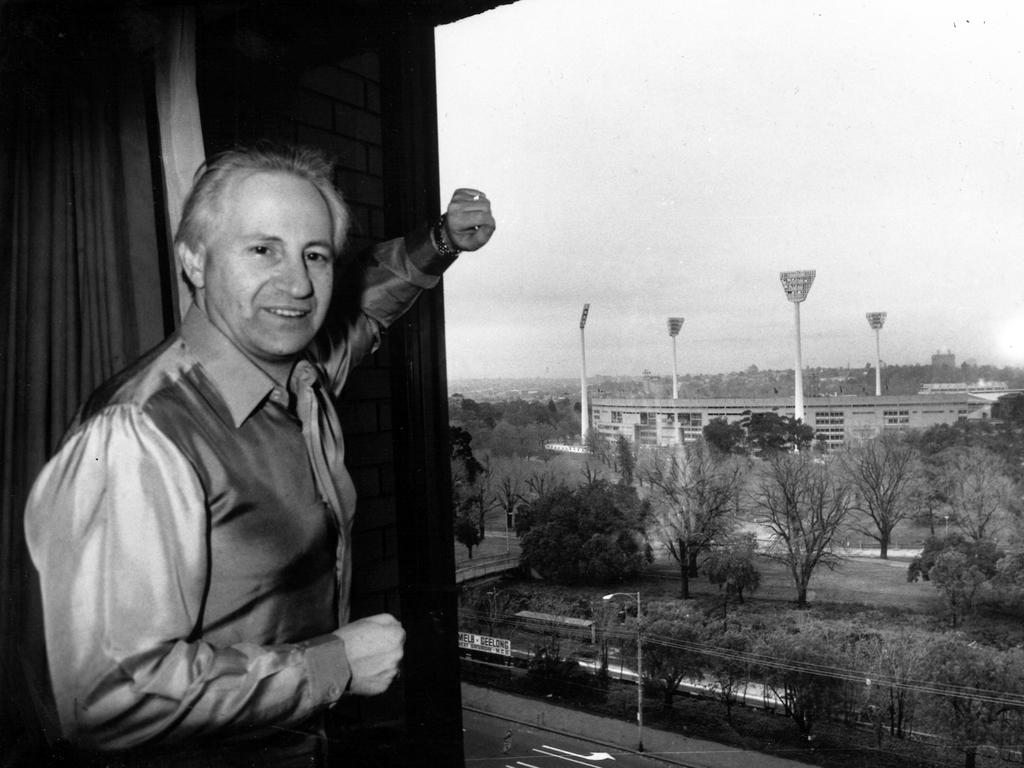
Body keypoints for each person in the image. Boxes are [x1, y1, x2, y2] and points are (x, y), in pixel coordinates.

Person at [23, 144, 495, 766]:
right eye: (262, 249)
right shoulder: (140, 434)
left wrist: (440, 240)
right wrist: (337, 664)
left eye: (315, 255)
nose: (297, 284)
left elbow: (365, 307)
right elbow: (111, 698)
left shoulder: (297, 377)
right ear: (194, 260)